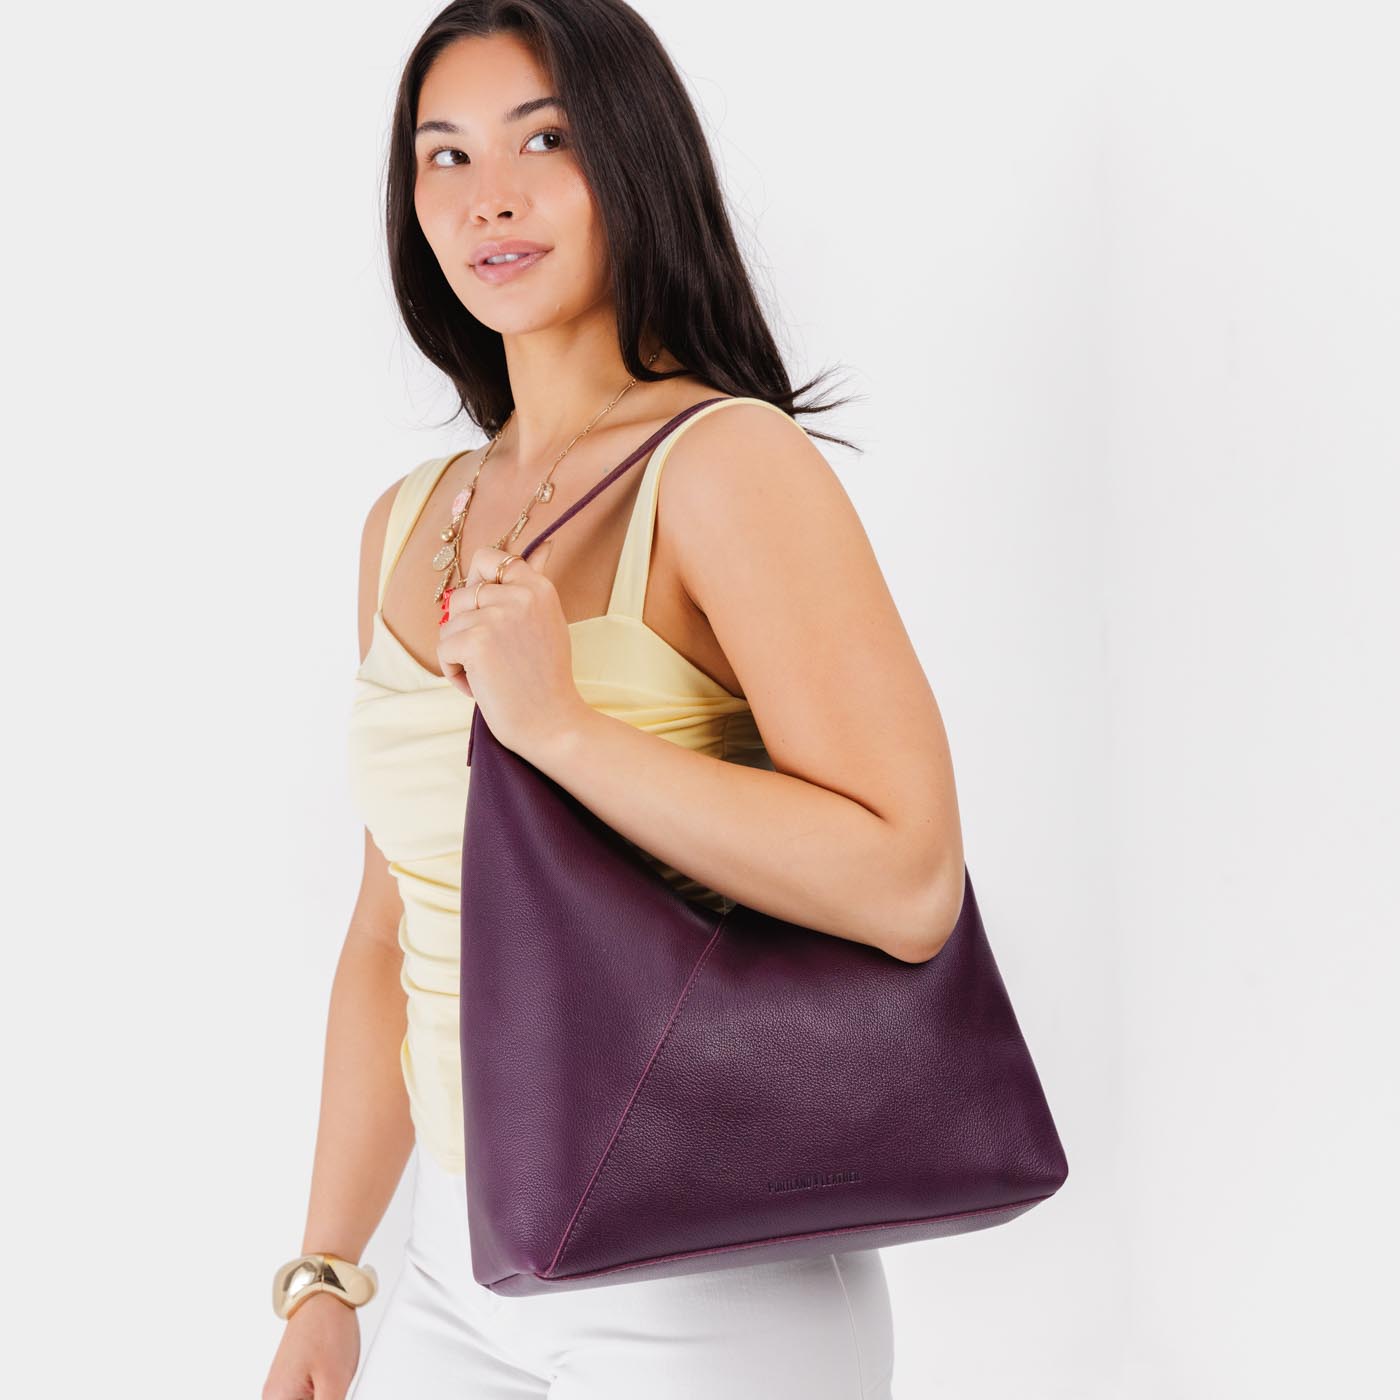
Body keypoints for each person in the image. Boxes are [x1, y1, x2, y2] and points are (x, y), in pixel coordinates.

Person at [262, 2, 964, 1396]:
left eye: (546, 140)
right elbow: (390, 929)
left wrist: (561, 731)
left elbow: (908, 881)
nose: (490, 196)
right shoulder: (407, 524)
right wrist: (330, 1276)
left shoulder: (725, 464)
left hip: (702, 1267)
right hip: (461, 1266)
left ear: (633, 159)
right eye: (445, 155)